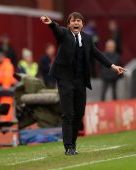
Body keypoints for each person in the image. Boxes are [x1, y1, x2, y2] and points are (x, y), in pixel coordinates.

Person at [40, 12, 125, 155]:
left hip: (80, 81)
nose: (76, 23)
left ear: (82, 24)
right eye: (73, 21)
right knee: (68, 114)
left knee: (79, 114)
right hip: (65, 79)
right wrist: (51, 23)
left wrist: (112, 66)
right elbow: (57, 29)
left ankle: (73, 143)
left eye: (78, 21)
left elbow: (97, 54)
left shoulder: (87, 38)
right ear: (69, 24)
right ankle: (68, 147)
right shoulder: (64, 35)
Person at [0, 52, 17, 121]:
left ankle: (6, 119)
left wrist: (5, 89)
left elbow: (7, 77)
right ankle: (5, 118)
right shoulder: (3, 65)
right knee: (4, 103)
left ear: (2, 57)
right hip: (4, 89)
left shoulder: (6, 65)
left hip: (5, 89)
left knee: (6, 103)